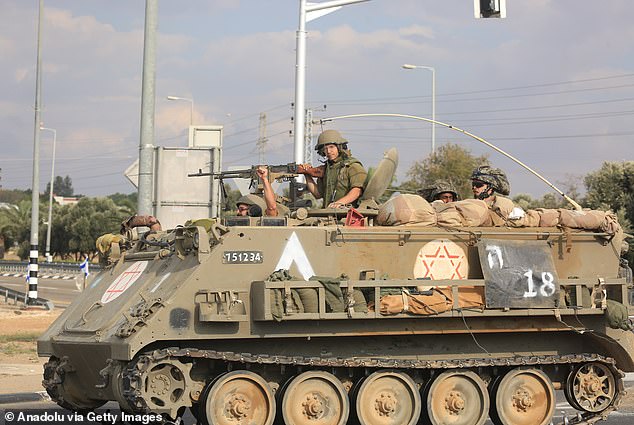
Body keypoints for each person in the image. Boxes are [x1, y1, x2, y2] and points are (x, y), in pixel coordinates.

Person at [301, 129, 368, 208]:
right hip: (329, 214)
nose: (328, 151)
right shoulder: (327, 169)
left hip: (349, 215)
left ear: (339, 147)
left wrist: (339, 203)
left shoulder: (353, 166)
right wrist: (306, 173)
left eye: (331, 147)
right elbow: (318, 194)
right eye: (325, 149)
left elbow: (357, 191)